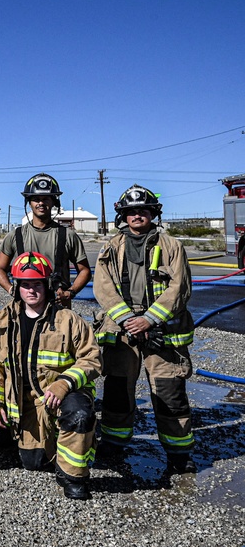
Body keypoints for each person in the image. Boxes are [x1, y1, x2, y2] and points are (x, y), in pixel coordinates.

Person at [93, 185, 196, 474]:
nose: (137, 215)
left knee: (169, 391)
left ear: (153, 213)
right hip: (123, 331)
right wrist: (128, 320)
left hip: (161, 332)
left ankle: (179, 453)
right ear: (122, 215)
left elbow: (180, 288)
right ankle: (113, 445)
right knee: (116, 390)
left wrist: (149, 320)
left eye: (143, 210)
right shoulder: (111, 248)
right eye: (131, 211)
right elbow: (103, 288)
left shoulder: (172, 246)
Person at [0, 252, 101, 500]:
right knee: (34, 462)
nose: (31, 290)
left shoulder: (68, 320)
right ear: (16, 287)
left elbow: (92, 359)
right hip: (26, 403)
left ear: (47, 285)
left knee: (79, 415)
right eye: (25, 284)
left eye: (37, 284)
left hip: (62, 396)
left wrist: (65, 382)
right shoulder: (2, 323)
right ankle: (60, 436)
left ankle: (73, 476)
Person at [0, 173, 91, 308]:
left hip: (58, 308)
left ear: (53, 202)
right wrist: (11, 289)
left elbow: (85, 270)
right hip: (24, 307)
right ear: (29, 202)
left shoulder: (68, 236)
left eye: (46, 199)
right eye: (36, 199)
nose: (41, 203)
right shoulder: (15, 236)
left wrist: (70, 292)